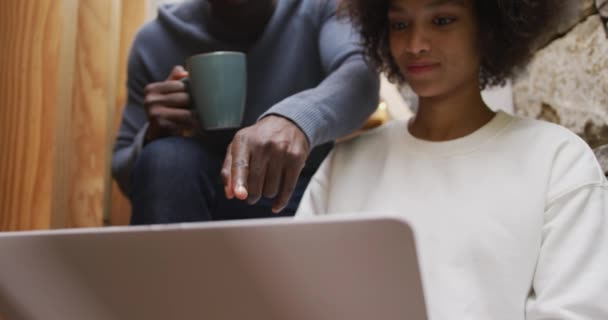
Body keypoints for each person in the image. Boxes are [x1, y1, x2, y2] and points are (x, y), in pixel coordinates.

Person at [296, 0, 608, 318]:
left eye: (443, 20)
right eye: (400, 25)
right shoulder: (345, 166)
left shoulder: (557, 161)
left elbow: (576, 310)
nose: (416, 44)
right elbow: (296, 298)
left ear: (488, 29)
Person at [111, 0, 380, 224]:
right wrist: (153, 135)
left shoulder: (319, 8)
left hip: (296, 196)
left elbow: (360, 79)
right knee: (165, 158)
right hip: (194, 202)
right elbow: (124, 172)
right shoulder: (157, 39)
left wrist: (295, 120)